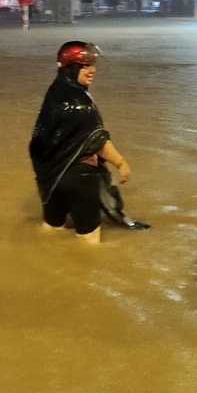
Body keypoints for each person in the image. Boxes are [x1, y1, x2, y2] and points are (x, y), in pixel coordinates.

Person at [29, 41, 132, 244]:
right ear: (71, 69)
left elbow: (39, 141)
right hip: (80, 179)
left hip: (50, 181)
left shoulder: (54, 93)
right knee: (88, 240)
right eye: (85, 66)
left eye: (92, 65)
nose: (92, 71)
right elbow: (97, 141)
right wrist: (121, 163)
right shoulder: (82, 105)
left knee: (51, 229)